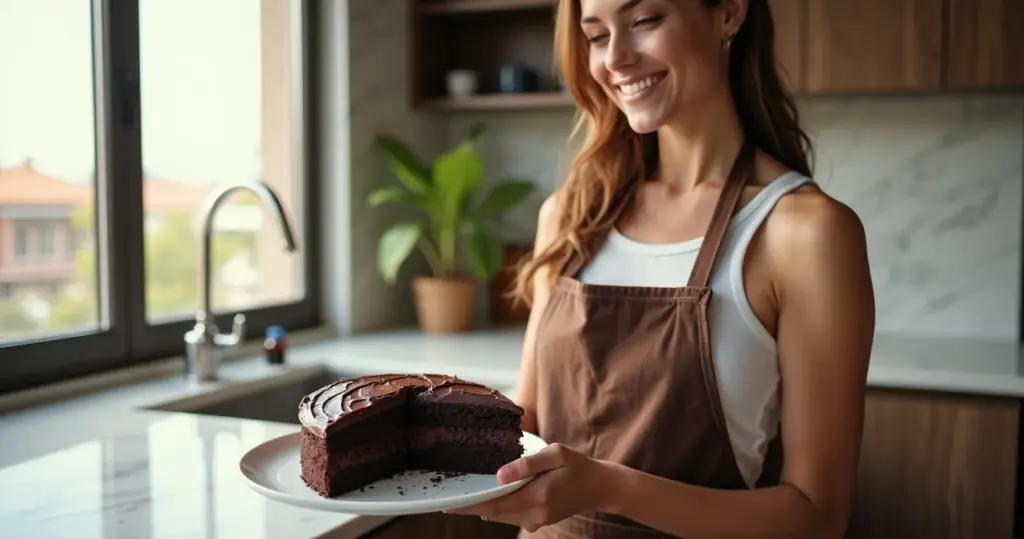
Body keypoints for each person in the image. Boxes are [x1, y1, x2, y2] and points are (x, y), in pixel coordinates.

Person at [446, 0, 875, 537]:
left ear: (729, 13)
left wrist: (609, 487)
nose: (616, 58)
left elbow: (818, 517)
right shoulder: (572, 214)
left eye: (645, 21)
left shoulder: (805, 232)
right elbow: (526, 420)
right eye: (597, 35)